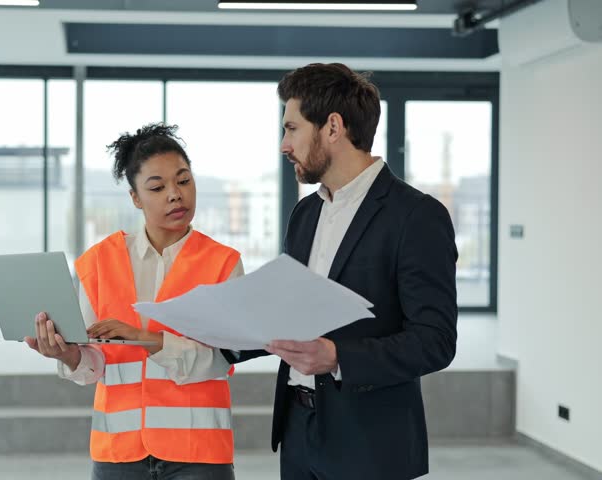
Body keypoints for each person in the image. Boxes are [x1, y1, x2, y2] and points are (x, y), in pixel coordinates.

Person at [223, 63, 459, 480]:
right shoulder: (305, 214)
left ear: (333, 127)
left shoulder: (416, 216)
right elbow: (289, 319)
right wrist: (209, 332)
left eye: (292, 128)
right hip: (298, 431)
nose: (284, 145)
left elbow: (435, 341)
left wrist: (337, 357)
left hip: (370, 445)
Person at [24, 123, 243, 480]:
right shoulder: (98, 262)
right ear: (136, 198)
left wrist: (145, 338)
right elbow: (94, 362)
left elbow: (223, 360)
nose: (175, 195)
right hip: (118, 454)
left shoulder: (224, 263)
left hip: (198, 455)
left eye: (184, 181)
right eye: (157, 187)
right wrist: (67, 355)